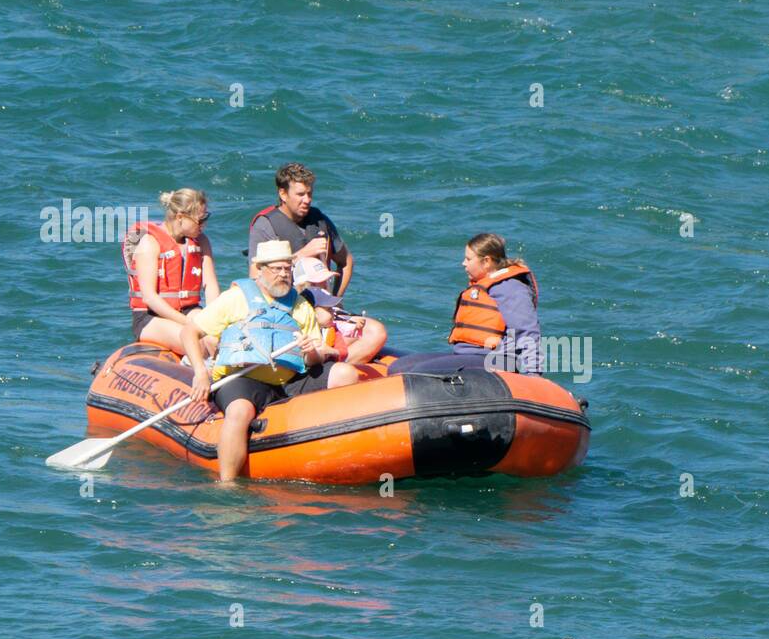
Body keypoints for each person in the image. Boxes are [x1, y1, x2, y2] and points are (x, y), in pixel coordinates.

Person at [181, 240, 360, 482]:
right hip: (243, 378)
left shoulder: (300, 305)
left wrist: (311, 352)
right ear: (261, 270)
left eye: (287, 268)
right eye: (277, 269)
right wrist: (200, 372)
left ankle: (340, 452)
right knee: (239, 410)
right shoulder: (236, 298)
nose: (283, 275)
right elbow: (190, 332)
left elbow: (314, 355)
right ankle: (227, 484)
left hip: (288, 378)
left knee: (346, 374)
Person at [247, 162, 388, 362]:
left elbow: (346, 262)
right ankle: (326, 367)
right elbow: (255, 276)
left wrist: (334, 300)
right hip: (288, 308)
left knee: (377, 332)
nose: (307, 200)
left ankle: (332, 365)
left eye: (310, 194)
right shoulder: (265, 225)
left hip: (324, 307)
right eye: (300, 194)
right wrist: (301, 254)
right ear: (283, 194)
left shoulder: (319, 220)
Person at [388, 233, 541, 376]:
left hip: (496, 360)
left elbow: (528, 332)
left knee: (420, 372)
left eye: (468, 259)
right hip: (467, 355)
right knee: (399, 367)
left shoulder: (510, 287)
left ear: (486, 261)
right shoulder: (484, 285)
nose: (463, 263)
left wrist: (533, 375)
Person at [123, 188, 220, 354]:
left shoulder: (201, 242)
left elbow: (210, 285)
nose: (204, 224)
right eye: (200, 219)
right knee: (196, 343)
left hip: (188, 310)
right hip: (150, 317)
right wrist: (189, 324)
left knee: (217, 340)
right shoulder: (149, 243)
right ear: (180, 217)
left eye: (206, 217)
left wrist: (217, 320)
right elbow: (150, 298)